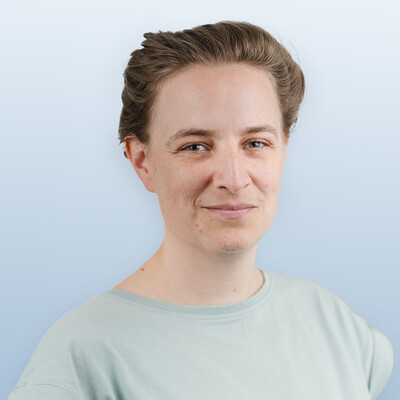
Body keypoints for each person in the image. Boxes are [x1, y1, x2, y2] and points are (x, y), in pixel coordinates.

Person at [8, 21, 394, 400]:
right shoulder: (81, 360)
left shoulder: (341, 330)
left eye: (256, 143)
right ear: (142, 161)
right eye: (195, 146)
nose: (234, 179)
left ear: (284, 148)